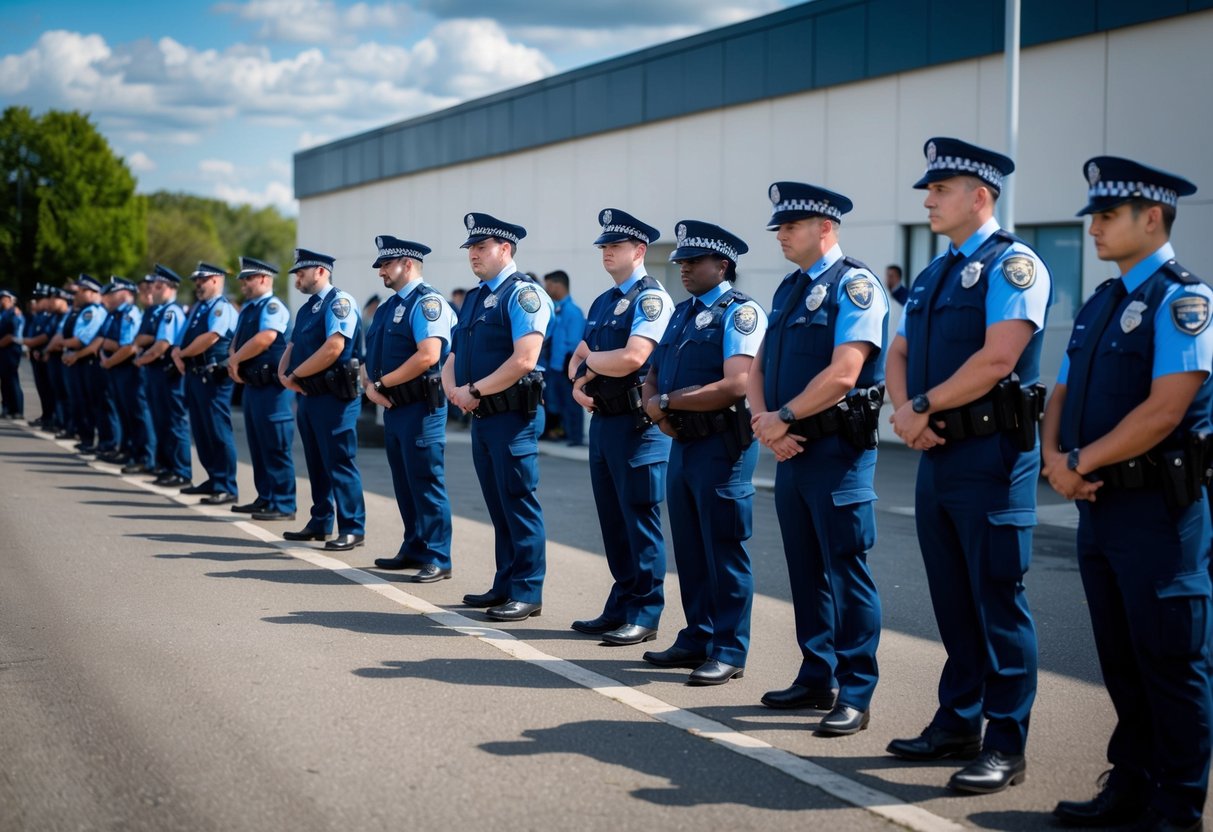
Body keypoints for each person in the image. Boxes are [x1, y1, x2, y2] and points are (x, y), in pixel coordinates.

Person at [1042, 158, 1212, 832]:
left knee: (1170, 661)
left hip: (1157, 516)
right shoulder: (1102, 301)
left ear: (1151, 216)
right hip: (1097, 505)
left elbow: (1163, 412)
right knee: (1120, 659)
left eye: (1105, 216)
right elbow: (1059, 392)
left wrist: (1075, 460)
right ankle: (1131, 785)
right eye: (1092, 217)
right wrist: (1054, 459)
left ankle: (1176, 808)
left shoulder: (1183, 299)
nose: (1093, 229)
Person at [885, 138, 1052, 794]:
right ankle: (956, 721)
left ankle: (1004, 743)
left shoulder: (1014, 266)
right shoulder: (932, 273)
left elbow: (996, 360)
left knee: (997, 601)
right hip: (936, 454)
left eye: (940, 189)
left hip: (990, 456)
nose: (926, 199)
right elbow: (897, 352)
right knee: (952, 601)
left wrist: (919, 408)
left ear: (978, 196)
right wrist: (908, 415)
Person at [747, 182, 889, 734]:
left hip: (836, 452)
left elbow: (845, 373)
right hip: (789, 450)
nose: (781, 235)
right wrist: (766, 422)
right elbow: (759, 368)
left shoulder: (854, 285)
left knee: (846, 571)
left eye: (791, 226)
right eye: (779, 227)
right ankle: (816, 673)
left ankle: (856, 690)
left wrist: (783, 418)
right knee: (806, 573)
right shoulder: (787, 290)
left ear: (824, 227)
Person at [640, 220, 767, 685]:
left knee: (724, 549)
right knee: (691, 549)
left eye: (694, 261)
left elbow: (736, 382)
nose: (685, 268)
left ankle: (729, 649)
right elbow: (653, 373)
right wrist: (657, 410)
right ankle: (698, 635)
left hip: (722, 446)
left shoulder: (740, 313)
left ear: (723, 264)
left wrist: (667, 403)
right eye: (682, 262)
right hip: (683, 443)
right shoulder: (680, 312)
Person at [568, 209, 673, 646]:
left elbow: (632, 357)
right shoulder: (604, 301)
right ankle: (621, 603)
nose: (607, 252)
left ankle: (645, 612)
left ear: (640, 250)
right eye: (604, 246)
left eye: (615, 246)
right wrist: (578, 383)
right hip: (605, 422)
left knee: (639, 519)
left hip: (637, 425)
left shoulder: (652, 298)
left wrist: (587, 364)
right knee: (613, 521)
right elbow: (577, 353)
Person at [442, 213, 552, 622]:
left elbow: (524, 359)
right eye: (470, 248)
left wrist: (473, 390)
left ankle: (527, 590)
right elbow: (453, 353)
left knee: (519, 502)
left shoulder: (523, 294)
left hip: (511, 418)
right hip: (483, 415)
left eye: (481, 247)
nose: (474, 254)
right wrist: (452, 386)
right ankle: (505, 582)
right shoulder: (473, 297)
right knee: (498, 505)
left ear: (505, 249)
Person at [363, 235, 455, 582]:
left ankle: (438, 555)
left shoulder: (427, 302)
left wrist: (382, 384)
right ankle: (414, 545)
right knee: (404, 482)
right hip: (395, 408)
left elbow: (429, 355)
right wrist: (370, 387)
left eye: (386, 264)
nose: (381, 272)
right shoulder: (387, 307)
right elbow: (370, 355)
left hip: (420, 407)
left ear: (407, 263)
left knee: (426, 482)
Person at [278, 248, 367, 551]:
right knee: (316, 462)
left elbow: (334, 348)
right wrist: (283, 373)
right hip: (309, 396)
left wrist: (296, 374)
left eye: (301, 272)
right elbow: (292, 345)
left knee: (339, 461)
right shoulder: (307, 308)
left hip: (335, 396)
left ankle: (353, 527)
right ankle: (320, 520)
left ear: (320, 271)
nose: (297, 278)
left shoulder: (339, 302)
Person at [228, 256, 296, 521]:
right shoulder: (249, 308)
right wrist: (233, 354)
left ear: (265, 279)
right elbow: (238, 338)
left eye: (248, 278)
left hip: (272, 389)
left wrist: (235, 359)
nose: (244, 283)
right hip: (253, 387)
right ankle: (265, 497)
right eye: (243, 279)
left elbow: (266, 338)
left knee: (275, 445)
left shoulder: (272, 306)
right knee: (258, 444)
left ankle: (284, 503)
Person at [172, 262, 239, 505]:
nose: (198, 284)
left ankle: (226, 485)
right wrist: (178, 351)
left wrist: (182, 354)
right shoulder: (199, 307)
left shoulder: (222, 307)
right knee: (201, 430)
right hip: (195, 374)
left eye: (203, 280)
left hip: (213, 378)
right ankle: (213, 478)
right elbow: (183, 336)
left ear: (216, 280)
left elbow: (211, 337)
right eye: (196, 280)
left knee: (217, 430)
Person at [134, 265, 191, 488]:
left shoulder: (171, 311)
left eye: (158, 287)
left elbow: (161, 346)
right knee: (161, 421)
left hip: (168, 374)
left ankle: (181, 470)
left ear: (170, 288)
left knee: (174, 422)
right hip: (156, 373)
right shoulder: (158, 311)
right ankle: (167, 467)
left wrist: (141, 358)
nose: (153, 291)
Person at [98, 277, 152, 470]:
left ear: (126, 294)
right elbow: (105, 340)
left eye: (112, 294)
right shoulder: (114, 314)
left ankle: (143, 457)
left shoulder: (130, 313)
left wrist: (109, 360)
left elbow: (128, 347)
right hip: (116, 368)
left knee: (136, 414)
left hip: (126, 368)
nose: (108, 298)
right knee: (124, 412)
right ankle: (129, 450)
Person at [61, 275, 116, 456]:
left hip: (90, 362)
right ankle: (88, 440)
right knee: (83, 402)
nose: (77, 294)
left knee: (97, 404)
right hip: (82, 361)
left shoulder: (94, 311)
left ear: (93, 292)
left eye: (82, 291)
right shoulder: (84, 310)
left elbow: (83, 340)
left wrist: (74, 353)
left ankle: (105, 442)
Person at [540, 270, 587, 445]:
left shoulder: (573, 312)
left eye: (549, 285)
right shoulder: (556, 309)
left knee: (571, 402)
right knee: (555, 401)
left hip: (567, 366)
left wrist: (572, 368)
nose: (547, 288)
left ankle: (575, 436)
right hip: (554, 366)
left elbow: (575, 344)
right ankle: (564, 432)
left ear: (559, 285)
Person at [0, 289, 25, 419]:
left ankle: (17, 410)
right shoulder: (4, 313)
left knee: (12, 379)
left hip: (11, 349)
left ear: (10, 299)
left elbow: (12, 335)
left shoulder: (14, 313)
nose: (1, 301)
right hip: (3, 350)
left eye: (3, 298)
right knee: (5, 380)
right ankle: (7, 408)